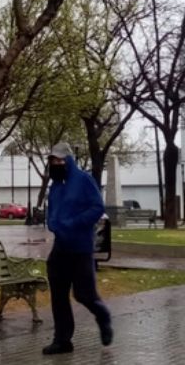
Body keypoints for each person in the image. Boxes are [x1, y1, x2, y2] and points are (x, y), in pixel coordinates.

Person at [42, 142, 113, 355]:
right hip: (60, 248)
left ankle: (103, 315)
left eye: (60, 159)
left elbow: (97, 207)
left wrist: (73, 223)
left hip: (80, 248)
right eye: (53, 160)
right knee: (58, 295)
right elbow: (52, 209)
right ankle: (62, 340)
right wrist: (52, 223)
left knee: (84, 295)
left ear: (69, 160)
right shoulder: (55, 185)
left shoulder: (83, 180)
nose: (56, 163)